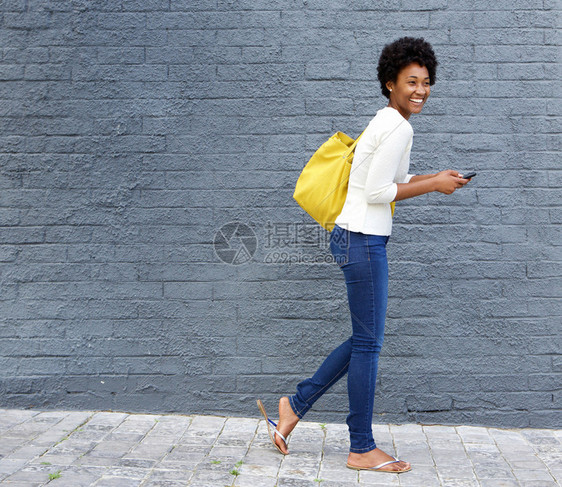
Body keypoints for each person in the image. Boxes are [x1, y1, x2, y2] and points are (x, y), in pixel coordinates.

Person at [257, 37, 472, 474]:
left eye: (426, 82)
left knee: (363, 340)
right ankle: (360, 447)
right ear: (390, 82)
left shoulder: (386, 120)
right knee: (369, 344)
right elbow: (378, 191)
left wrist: (435, 176)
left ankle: (293, 407)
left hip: (354, 236)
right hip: (363, 240)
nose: (421, 90)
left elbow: (391, 177)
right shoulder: (399, 126)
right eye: (411, 81)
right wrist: (433, 186)